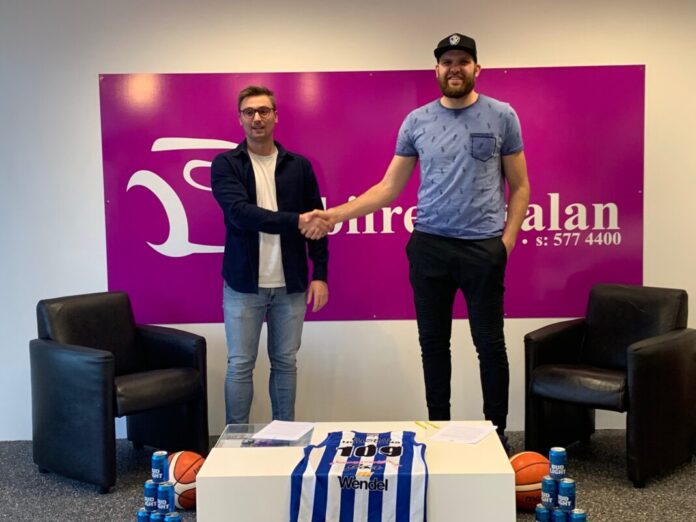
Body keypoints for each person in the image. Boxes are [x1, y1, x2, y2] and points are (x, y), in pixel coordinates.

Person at [311, 34, 530, 451]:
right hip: (430, 247)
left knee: (490, 345)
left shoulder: (502, 116)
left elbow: (520, 186)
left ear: (476, 68)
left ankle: (496, 434)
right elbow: (388, 188)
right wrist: (334, 215)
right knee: (433, 345)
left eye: (463, 60)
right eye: (447, 61)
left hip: (483, 250)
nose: (455, 68)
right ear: (437, 70)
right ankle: (438, 431)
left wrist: (505, 244)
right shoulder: (417, 121)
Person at [211, 85, 331, 425]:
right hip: (243, 285)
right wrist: (296, 221)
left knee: (285, 364)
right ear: (240, 119)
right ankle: (234, 439)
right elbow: (240, 214)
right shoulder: (226, 164)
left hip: (290, 285)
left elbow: (317, 224)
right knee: (240, 365)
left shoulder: (299, 166)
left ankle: (284, 437)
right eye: (249, 112)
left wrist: (320, 275)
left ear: (276, 116)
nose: (257, 118)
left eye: (264, 111)